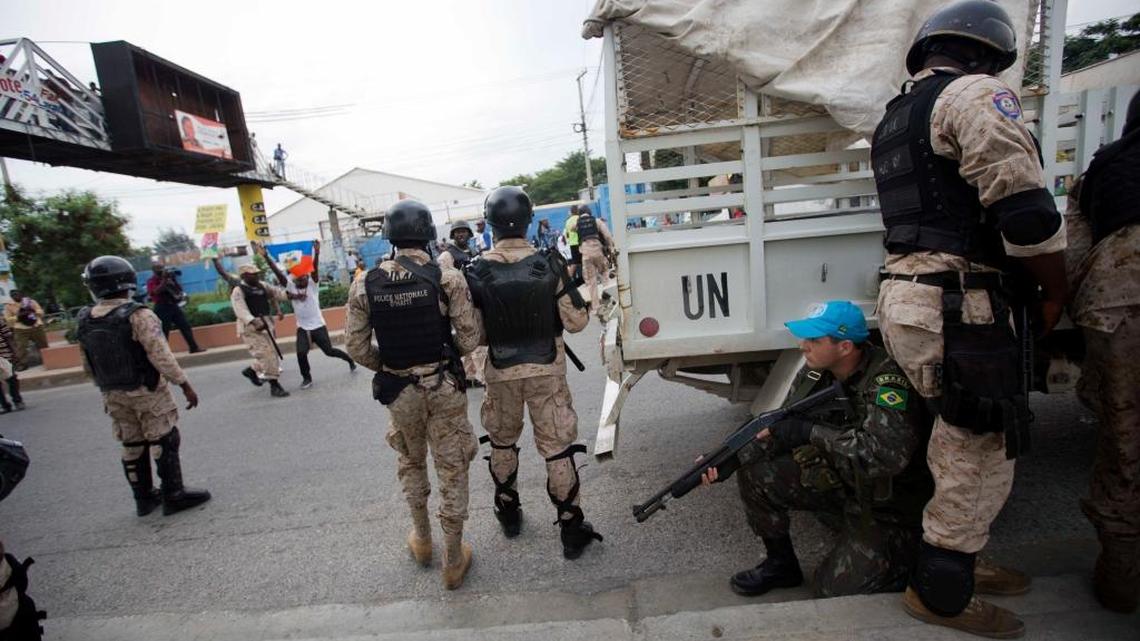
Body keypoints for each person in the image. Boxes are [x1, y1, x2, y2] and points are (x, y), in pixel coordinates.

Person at [871, 2, 1069, 637]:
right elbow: (1028, 215)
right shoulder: (975, 95)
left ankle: (961, 558)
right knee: (979, 447)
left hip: (911, 299)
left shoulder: (896, 115)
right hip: (961, 305)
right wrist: (1053, 293)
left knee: (951, 438)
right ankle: (942, 591)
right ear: (988, 56)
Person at [699, 301, 933, 598]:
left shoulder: (888, 383)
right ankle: (781, 564)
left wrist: (811, 432)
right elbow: (777, 431)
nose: (803, 346)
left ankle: (910, 556)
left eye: (814, 340)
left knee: (831, 589)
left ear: (845, 347)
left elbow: (882, 457)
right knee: (755, 473)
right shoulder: (814, 374)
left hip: (888, 504)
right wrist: (726, 460)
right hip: (846, 484)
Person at [344, 199, 481, 590]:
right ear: (428, 234)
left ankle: (422, 541)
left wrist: (391, 367)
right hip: (443, 386)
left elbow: (355, 348)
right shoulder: (447, 278)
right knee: (452, 466)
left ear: (389, 236)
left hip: (399, 390)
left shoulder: (364, 283)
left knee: (411, 460)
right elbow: (470, 338)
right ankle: (453, 560)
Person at [466, 186, 602, 559]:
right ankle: (572, 529)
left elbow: (472, 335)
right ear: (528, 221)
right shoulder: (551, 263)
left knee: (502, 442)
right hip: (547, 370)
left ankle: (509, 512)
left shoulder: (475, 271)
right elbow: (574, 322)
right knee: (557, 448)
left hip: (500, 372)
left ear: (489, 223)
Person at [1064, 91, 1140, 614]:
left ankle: (1121, 582)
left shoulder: (1103, 168)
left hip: (1120, 297)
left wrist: (1065, 319)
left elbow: (1073, 250)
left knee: (1125, 440)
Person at [76, 256, 210, 517]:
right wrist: (184, 384)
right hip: (146, 389)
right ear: (127, 282)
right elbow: (161, 355)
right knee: (164, 437)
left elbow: (87, 362)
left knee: (131, 442)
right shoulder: (138, 315)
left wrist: (104, 386)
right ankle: (173, 494)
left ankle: (144, 499)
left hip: (112, 391)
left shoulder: (85, 318)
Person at [262, 240, 355, 389]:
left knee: (329, 351)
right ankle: (307, 378)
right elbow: (278, 273)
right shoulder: (291, 286)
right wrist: (266, 257)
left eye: (305, 278)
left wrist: (316, 252)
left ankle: (349, 360)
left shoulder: (313, 285)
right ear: (295, 280)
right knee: (301, 353)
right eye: (299, 279)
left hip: (318, 325)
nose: (303, 280)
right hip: (303, 328)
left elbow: (315, 270)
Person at [211, 253, 294, 398]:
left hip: (266, 324)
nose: (256, 276)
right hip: (251, 328)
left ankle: (251, 370)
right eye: (253, 274)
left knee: (271, 354)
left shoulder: (262, 285)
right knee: (266, 354)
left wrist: (290, 294)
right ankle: (275, 386)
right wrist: (254, 321)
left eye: (257, 274)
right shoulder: (238, 290)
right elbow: (240, 310)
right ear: (244, 276)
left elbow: (277, 293)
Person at [438, 220, 487, 386]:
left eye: (463, 231)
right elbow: (444, 280)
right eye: (457, 232)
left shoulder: (473, 251)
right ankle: (479, 376)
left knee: (472, 339)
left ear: (469, 234)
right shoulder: (447, 255)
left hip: (476, 300)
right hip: (461, 304)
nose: (460, 234)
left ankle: (470, 375)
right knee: (473, 339)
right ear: (453, 235)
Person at [146, 262, 205, 354]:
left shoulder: (169, 278)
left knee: (185, 326)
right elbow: (155, 291)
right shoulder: (151, 281)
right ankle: (163, 352)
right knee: (164, 330)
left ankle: (193, 347)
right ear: (154, 271)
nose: (161, 270)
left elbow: (179, 289)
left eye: (162, 268)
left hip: (173, 305)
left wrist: (172, 282)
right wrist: (164, 281)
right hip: (161, 307)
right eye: (159, 269)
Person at [575, 205, 615, 316]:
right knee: (605, 274)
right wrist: (611, 247)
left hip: (586, 254)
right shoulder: (597, 221)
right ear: (589, 212)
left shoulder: (577, 224)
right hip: (597, 251)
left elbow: (573, 228)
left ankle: (596, 306)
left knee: (591, 280)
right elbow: (607, 235)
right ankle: (611, 300)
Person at [3, 291, 48, 371]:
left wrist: (34, 312)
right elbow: (8, 319)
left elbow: (41, 312)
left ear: (21, 294)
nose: (16, 296)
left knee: (43, 343)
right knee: (21, 346)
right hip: (20, 328)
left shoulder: (30, 301)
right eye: (13, 295)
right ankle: (23, 364)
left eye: (17, 294)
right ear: (11, 297)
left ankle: (47, 359)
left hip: (36, 325)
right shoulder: (8, 306)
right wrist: (18, 316)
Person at [0, 317, 23, 412]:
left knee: (12, 378)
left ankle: (17, 401)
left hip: (4, 354)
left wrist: (15, 351)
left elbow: (8, 336)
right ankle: (5, 405)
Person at [563, 205, 581, 279]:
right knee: (585, 260)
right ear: (577, 211)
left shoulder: (567, 221)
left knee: (575, 262)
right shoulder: (579, 218)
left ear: (571, 212)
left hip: (572, 244)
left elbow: (567, 235)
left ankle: (568, 278)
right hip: (580, 242)